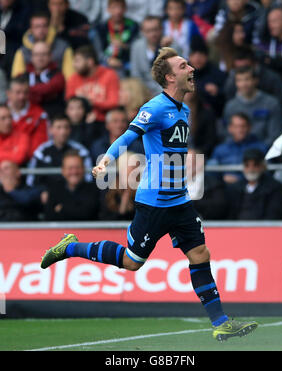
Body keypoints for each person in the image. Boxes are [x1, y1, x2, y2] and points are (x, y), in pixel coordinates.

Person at [41, 46, 258, 341]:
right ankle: (70, 247)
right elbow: (128, 136)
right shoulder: (155, 107)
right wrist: (106, 159)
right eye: (184, 66)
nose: (191, 69)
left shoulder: (184, 109)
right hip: (154, 203)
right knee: (132, 262)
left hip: (179, 201)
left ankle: (220, 322)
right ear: (170, 77)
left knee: (199, 253)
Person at [26, 113, 92, 188]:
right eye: (58, 127)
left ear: (70, 130)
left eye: (66, 127)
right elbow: (31, 180)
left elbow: (88, 178)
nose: (63, 132)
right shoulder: (41, 152)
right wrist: (41, 191)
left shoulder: (81, 151)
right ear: (51, 130)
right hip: (47, 195)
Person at [223, 65, 282, 147]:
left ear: (256, 80)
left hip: (263, 152)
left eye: (247, 79)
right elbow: (228, 134)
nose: (243, 84)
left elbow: (274, 135)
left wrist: (258, 150)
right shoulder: (230, 106)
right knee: (203, 158)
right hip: (236, 151)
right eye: (239, 80)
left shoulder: (271, 103)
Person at [65, 44, 120, 125]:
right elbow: (70, 105)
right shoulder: (73, 78)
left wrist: (91, 102)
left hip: (104, 123)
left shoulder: (109, 75)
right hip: (80, 123)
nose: (74, 65)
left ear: (90, 62)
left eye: (77, 61)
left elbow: (113, 102)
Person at [11, 11, 74, 80]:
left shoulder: (63, 48)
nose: (41, 30)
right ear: (31, 29)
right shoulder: (22, 51)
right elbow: (17, 80)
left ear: (49, 27)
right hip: (29, 89)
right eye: (37, 26)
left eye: (44, 26)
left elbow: (70, 78)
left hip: (58, 88)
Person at [227, 148, 282, 220]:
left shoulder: (275, 187)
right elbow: (230, 214)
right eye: (247, 165)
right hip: (237, 229)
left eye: (255, 165)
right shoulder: (235, 188)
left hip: (264, 229)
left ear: (263, 166)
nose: (251, 169)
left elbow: (274, 214)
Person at [208, 113, 268, 184]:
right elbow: (211, 173)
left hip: (252, 185)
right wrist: (222, 179)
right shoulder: (220, 149)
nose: (240, 130)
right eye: (236, 127)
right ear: (230, 128)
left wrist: (240, 180)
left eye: (243, 126)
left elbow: (266, 172)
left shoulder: (261, 148)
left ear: (249, 127)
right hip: (224, 186)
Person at [130, 15, 180, 96]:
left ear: (161, 29)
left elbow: (177, 74)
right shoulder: (137, 47)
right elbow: (135, 75)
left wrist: (165, 49)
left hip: (168, 91)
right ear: (142, 31)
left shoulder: (172, 46)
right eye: (148, 31)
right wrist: (146, 92)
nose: (153, 34)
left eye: (155, 30)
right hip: (144, 92)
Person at [43, 149, 99, 221]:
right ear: (63, 171)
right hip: (59, 232)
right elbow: (49, 217)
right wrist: (76, 208)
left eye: (77, 167)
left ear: (83, 169)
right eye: (70, 168)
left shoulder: (93, 189)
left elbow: (87, 214)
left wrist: (62, 209)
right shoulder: (55, 189)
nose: (74, 172)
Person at [91, 0, 139, 77]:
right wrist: (108, 60)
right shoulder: (100, 28)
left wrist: (124, 46)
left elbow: (138, 49)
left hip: (127, 63)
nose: (117, 11)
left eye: (120, 7)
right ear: (108, 9)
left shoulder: (133, 26)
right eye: (114, 8)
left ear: (125, 9)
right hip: (105, 63)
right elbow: (97, 51)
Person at [7, 76, 49, 159]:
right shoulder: (2, 113)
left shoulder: (39, 114)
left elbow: (40, 144)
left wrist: (19, 156)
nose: (22, 97)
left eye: (25, 92)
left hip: (29, 162)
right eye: (18, 92)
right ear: (9, 93)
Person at [20, 40, 65, 117]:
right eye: (36, 54)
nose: (40, 58)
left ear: (50, 56)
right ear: (31, 57)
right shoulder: (23, 76)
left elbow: (48, 88)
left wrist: (28, 90)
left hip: (52, 117)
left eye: (43, 54)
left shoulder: (58, 75)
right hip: (27, 117)